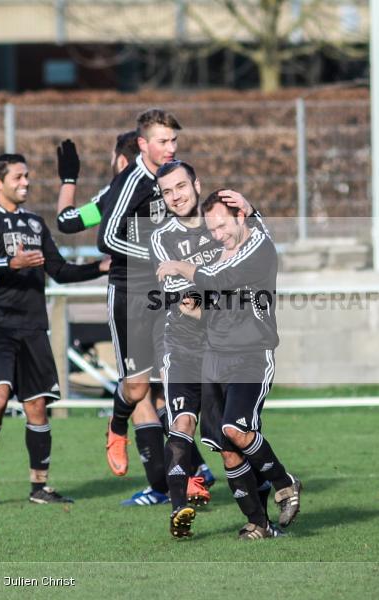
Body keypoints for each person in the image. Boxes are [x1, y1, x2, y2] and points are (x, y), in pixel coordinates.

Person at [53, 130, 214, 505]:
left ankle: (182, 476)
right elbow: (71, 222)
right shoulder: (118, 193)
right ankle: (172, 477)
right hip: (132, 297)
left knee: (171, 386)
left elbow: (68, 219)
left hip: (168, 293)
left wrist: (69, 180)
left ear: (121, 160)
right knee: (142, 390)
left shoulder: (153, 186)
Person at [157, 191, 301, 541]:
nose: (217, 233)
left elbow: (217, 278)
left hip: (252, 356)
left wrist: (179, 266)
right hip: (214, 358)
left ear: (240, 217)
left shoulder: (259, 249)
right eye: (212, 228)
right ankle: (258, 524)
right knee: (227, 448)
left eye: (222, 224)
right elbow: (213, 296)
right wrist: (196, 309)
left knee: (236, 430)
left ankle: (285, 482)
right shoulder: (223, 253)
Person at [0, 153, 110, 505]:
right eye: (18, 177)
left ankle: (39, 487)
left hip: (31, 324)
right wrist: (12, 263)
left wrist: (101, 267)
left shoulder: (34, 223)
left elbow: (60, 270)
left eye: (27, 176)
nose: (26, 182)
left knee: (37, 407)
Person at [151, 161, 261, 537]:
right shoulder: (162, 237)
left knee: (228, 442)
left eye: (181, 186)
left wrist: (251, 210)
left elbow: (256, 251)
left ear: (196, 184)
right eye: (167, 191)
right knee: (181, 424)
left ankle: (256, 517)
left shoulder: (221, 221)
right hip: (182, 345)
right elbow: (183, 299)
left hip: (224, 349)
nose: (176, 195)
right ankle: (179, 509)